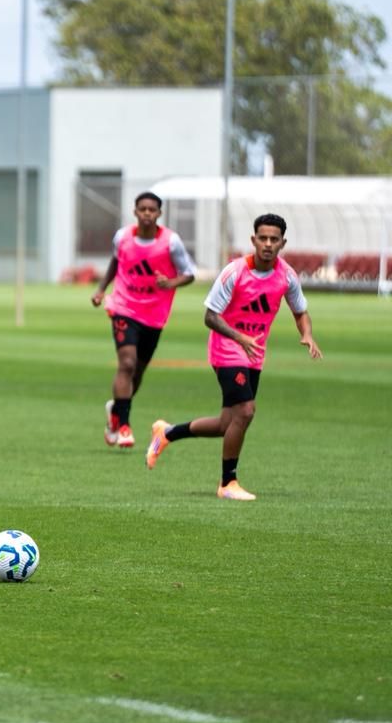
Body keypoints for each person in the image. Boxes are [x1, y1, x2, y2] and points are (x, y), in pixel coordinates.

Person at [144, 213, 322, 500]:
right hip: (226, 348)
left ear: (282, 243)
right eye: (262, 238)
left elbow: (300, 311)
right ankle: (228, 483)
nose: (267, 244)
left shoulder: (287, 275)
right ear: (253, 240)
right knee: (247, 411)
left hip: (254, 353)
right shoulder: (234, 272)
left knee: (227, 423)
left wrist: (307, 334)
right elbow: (210, 317)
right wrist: (239, 337)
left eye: (273, 239)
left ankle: (166, 433)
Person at [89, 192, 195, 449]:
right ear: (135, 212)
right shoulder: (122, 237)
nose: (147, 213)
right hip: (123, 307)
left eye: (152, 210)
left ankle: (116, 411)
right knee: (126, 363)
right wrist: (102, 289)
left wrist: (170, 283)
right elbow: (116, 262)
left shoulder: (171, 242)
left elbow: (189, 274)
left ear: (159, 214)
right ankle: (124, 427)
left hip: (154, 315)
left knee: (138, 371)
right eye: (142, 209)